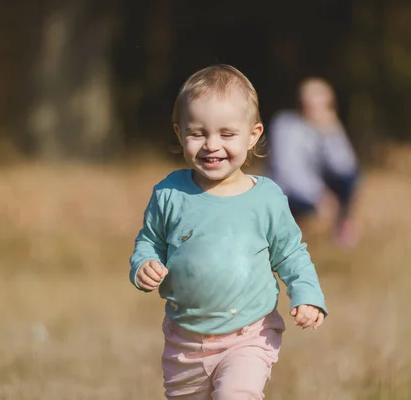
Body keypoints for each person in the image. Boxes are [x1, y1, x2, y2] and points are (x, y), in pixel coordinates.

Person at [129, 64, 328, 400]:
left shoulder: (265, 198)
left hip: (248, 334)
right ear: (179, 133)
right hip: (185, 341)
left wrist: (307, 294)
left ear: (252, 135)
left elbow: (291, 253)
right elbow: (150, 242)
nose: (211, 145)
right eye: (197, 133)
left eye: (226, 134)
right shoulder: (169, 194)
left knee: (236, 394)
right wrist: (143, 265)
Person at [267, 77, 361, 247]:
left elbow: (346, 166)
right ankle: (295, 228)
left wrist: (330, 132)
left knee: (351, 177)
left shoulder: (329, 127)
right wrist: (320, 196)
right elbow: (289, 173)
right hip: (288, 192)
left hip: (315, 189)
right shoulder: (286, 126)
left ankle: (341, 226)